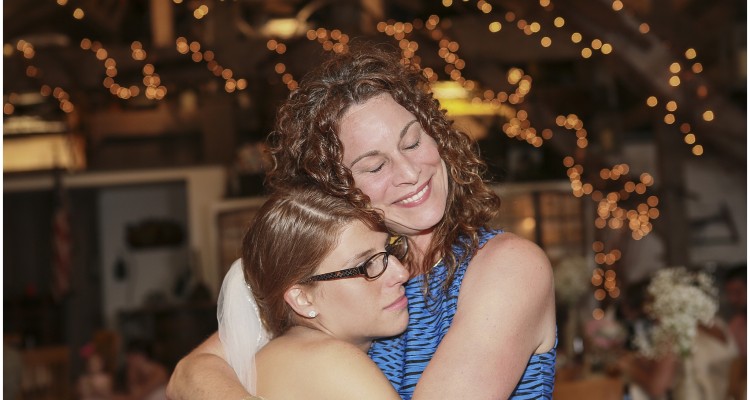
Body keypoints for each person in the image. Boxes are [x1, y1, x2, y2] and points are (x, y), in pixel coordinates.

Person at [167, 43, 557, 399]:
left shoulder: (509, 265)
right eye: (374, 166)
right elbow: (190, 373)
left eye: (412, 142)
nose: (409, 172)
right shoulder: (339, 280)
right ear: (335, 185)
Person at [219, 186, 411, 398]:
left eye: (390, 248)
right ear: (303, 299)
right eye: (366, 265)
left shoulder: (275, 359)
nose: (402, 273)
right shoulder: (335, 362)